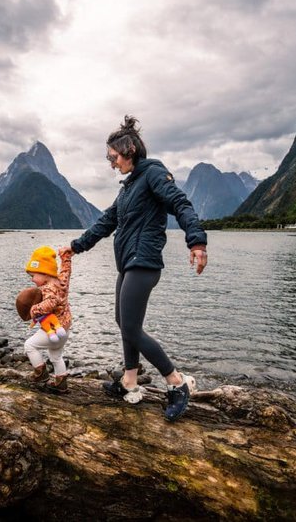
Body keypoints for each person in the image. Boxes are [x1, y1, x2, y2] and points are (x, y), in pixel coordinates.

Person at [63, 115, 207, 422]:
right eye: (109, 159)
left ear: (129, 150)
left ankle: (177, 382)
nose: (111, 164)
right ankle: (130, 380)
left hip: (144, 262)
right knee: (123, 322)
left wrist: (196, 241)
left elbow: (180, 204)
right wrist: (75, 247)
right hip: (128, 263)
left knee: (130, 327)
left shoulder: (153, 174)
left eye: (113, 157)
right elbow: (106, 222)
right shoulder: (128, 188)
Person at [22, 245, 73, 393]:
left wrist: (34, 309)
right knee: (56, 356)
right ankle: (61, 383)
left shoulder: (48, 288)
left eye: (33, 276)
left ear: (44, 273)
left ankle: (41, 374)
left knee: (29, 346)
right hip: (64, 329)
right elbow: (66, 271)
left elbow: (51, 302)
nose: (32, 279)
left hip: (53, 330)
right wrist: (66, 257)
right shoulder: (61, 281)